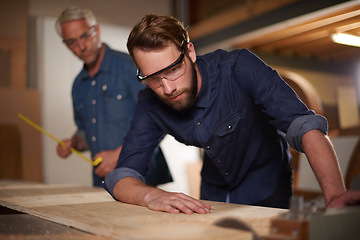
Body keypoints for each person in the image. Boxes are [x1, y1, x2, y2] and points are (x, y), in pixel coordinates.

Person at [103, 14, 360, 214]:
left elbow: (303, 126)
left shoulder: (239, 67)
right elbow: (123, 175)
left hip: (267, 187)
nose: (167, 88)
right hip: (212, 193)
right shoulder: (150, 100)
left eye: (172, 70)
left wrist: (335, 193)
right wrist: (151, 196)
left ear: (189, 53)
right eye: (153, 78)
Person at [54, 7, 172, 187]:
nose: (81, 46)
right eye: (72, 41)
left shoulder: (130, 67)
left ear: (97, 30)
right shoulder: (78, 86)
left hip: (143, 178)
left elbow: (160, 118)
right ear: (66, 44)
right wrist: (75, 142)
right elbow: (85, 130)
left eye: (85, 36)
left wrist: (120, 154)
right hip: (104, 183)